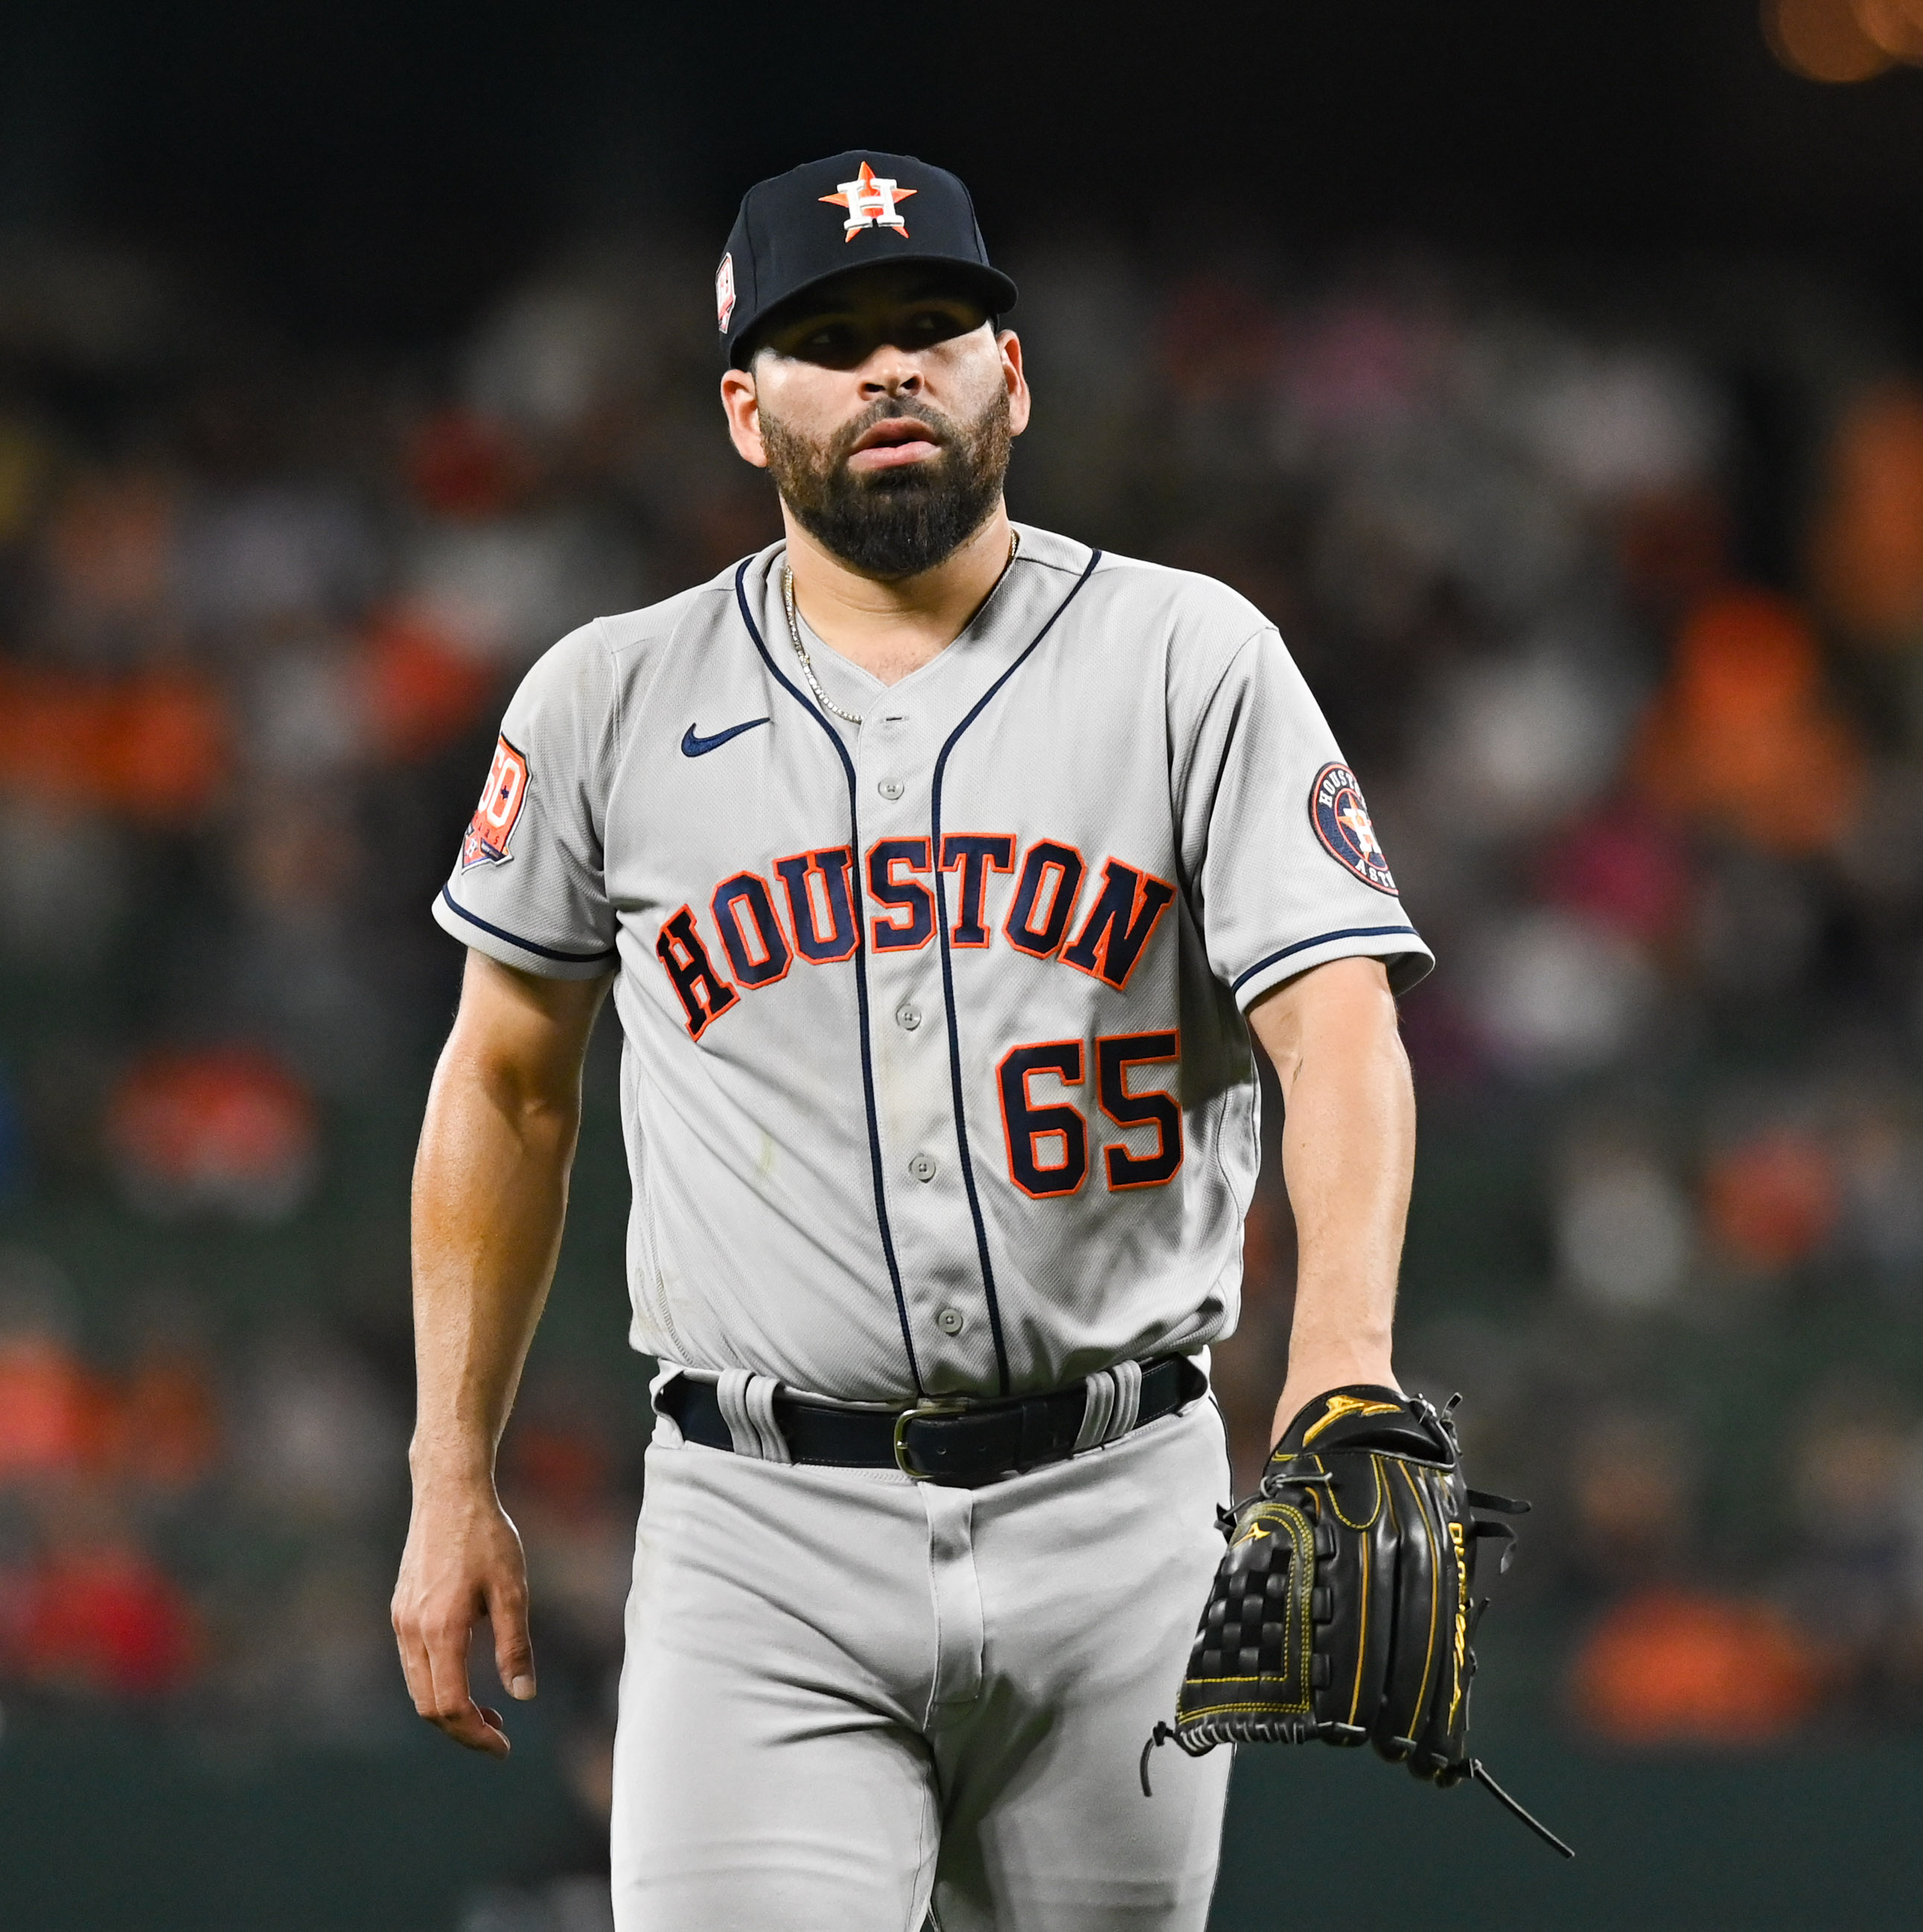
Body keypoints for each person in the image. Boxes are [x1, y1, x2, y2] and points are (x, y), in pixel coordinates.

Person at [388, 150, 1429, 1932]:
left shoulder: (1192, 657)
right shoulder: (609, 696)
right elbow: (506, 1077)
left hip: (1121, 1504)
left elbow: (1336, 1024)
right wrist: (444, 1469)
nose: (888, 368)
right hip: (759, 1526)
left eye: (932, 325)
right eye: (829, 337)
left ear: (1010, 372)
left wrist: (1340, 1356)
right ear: (743, 408)